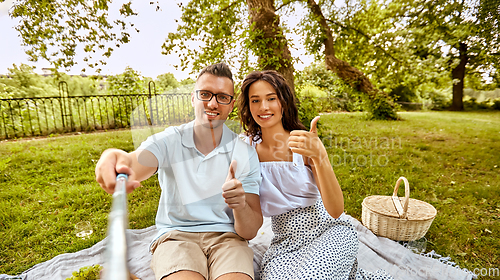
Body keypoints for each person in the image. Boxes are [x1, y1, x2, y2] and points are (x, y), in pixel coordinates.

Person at [95, 63, 263, 280]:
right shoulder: (168, 140)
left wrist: (239, 205)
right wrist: (116, 157)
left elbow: (249, 232)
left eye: (222, 97)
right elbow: (134, 163)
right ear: (193, 98)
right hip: (176, 238)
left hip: (228, 239)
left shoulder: (245, 153)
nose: (212, 103)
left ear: (231, 105)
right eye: (205, 94)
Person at [237, 70, 394, 280]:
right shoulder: (246, 148)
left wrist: (320, 157)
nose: (263, 107)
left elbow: (337, 210)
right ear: (248, 106)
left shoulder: (305, 143)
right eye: (255, 100)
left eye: (271, 98)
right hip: (284, 243)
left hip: (329, 231)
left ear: (283, 102)